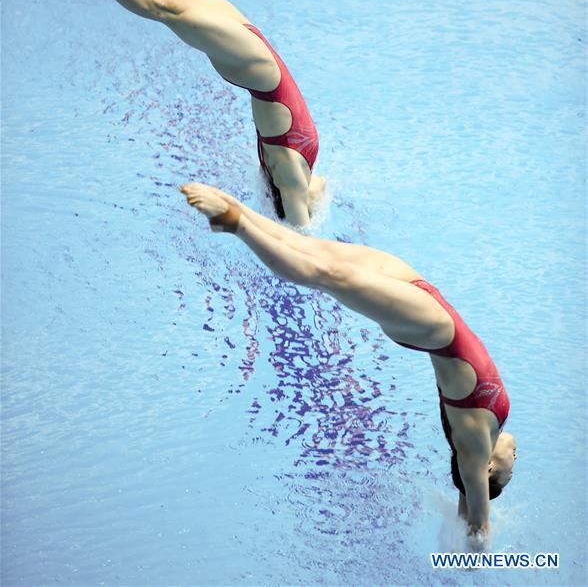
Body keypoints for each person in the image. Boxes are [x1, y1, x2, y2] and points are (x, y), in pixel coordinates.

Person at [179, 182, 516, 539]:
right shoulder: (478, 437)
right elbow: (466, 499)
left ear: (490, 468)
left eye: (510, 471)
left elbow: (477, 527)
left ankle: (234, 223)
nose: (516, 460)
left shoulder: (474, 448)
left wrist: (474, 542)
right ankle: (238, 208)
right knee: (318, 249)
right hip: (422, 293)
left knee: (328, 276)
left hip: (434, 327)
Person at [41, 0, 324, 226]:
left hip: (255, 48)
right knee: (161, 7)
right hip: (256, 68)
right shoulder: (289, 178)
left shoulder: (302, 174)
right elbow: (301, 242)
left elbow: (320, 189)